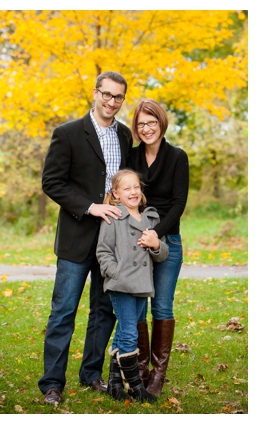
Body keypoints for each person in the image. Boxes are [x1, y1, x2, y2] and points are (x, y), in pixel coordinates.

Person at [39, 71, 134, 405]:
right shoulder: (67, 134)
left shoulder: (124, 135)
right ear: (95, 93)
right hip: (78, 235)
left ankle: (91, 374)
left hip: (112, 238)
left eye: (118, 97)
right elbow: (52, 182)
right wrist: (90, 207)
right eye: (106, 95)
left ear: (123, 99)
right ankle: (52, 383)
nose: (111, 102)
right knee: (64, 310)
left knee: (104, 309)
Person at [128, 99, 189, 396]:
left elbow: (179, 204)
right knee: (138, 306)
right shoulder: (132, 157)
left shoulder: (178, 157)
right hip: (136, 241)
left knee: (162, 305)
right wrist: (142, 234)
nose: (146, 128)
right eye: (141, 124)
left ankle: (158, 375)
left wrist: (157, 234)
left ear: (161, 123)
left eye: (151, 122)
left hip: (168, 240)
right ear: (136, 129)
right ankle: (139, 370)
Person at [96, 169, 165, 403]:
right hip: (121, 284)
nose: (133, 192)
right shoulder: (113, 217)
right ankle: (136, 387)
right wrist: (115, 273)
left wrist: (155, 244)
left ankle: (115, 383)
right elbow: (103, 251)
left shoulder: (152, 218)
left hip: (142, 285)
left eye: (136, 187)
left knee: (124, 331)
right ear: (116, 193)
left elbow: (161, 252)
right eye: (127, 188)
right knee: (129, 334)